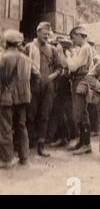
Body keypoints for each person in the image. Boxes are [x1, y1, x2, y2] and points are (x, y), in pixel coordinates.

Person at [0, 30, 40, 168]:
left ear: (6, 42)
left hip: (6, 97)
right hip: (23, 98)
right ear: (18, 43)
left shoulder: (3, 57)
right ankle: (24, 158)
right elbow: (37, 75)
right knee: (21, 127)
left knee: (5, 128)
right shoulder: (26, 59)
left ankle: (7, 159)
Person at [25, 21, 62, 157]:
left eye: (48, 34)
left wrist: (51, 76)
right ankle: (28, 145)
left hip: (48, 86)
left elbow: (60, 68)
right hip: (33, 84)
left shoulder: (52, 49)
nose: (47, 36)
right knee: (30, 114)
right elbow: (24, 65)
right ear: (38, 32)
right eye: (44, 33)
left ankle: (41, 146)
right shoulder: (29, 47)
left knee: (45, 115)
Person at [63, 26, 94, 155]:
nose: (72, 40)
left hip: (80, 80)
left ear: (78, 35)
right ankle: (82, 142)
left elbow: (73, 66)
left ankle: (86, 144)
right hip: (80, 80)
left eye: (73, 37)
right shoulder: (85, 49)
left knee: (81, 112)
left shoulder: (85, 48)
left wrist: (66, 55)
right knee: (80, 112)